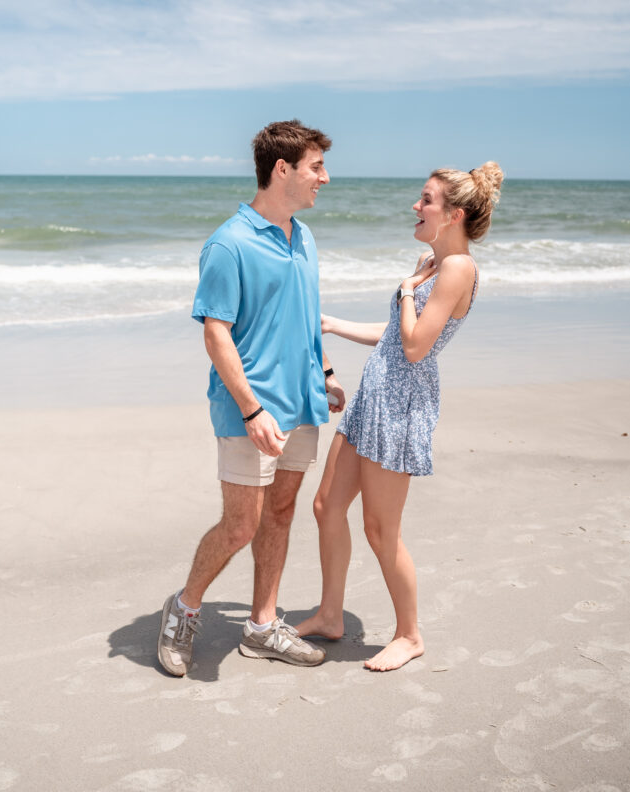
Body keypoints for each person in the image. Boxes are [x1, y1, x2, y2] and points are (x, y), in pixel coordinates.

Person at [296, 162, 504, 671]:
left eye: (426, 200)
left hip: (402, 405)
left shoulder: (457, 269)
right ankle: (330, 615)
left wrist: (409, 288)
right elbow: (394, 336)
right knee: (326, 506)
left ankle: (410, 635)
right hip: (375, 395)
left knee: (381, 529)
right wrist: (332, 324)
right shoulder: (433, 262)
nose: (416, 206)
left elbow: (415, 348)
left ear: (453, 214)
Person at [157, 119, 345, 676]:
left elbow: (305, 314)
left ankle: (263, 625)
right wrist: (252, 408)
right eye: (316, 166)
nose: (325, 178)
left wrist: (327, 372)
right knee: (241, 524)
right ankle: (184, 607)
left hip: (302, 403)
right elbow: (216, 333)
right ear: (282, 169)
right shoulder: (228, 243)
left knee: (281, 514)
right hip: (251, 410)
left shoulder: (303, 237)